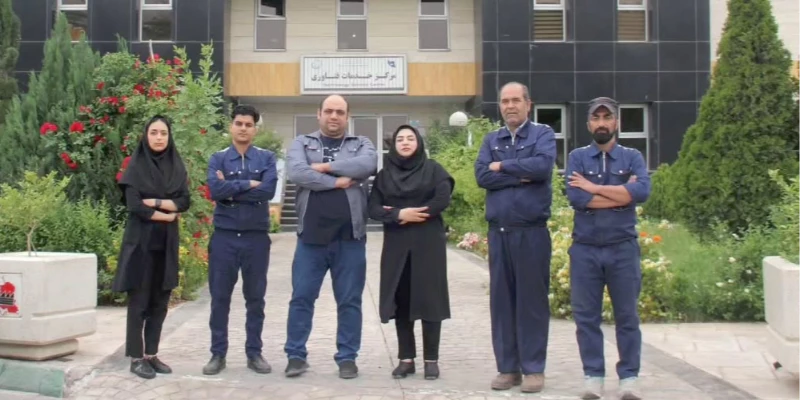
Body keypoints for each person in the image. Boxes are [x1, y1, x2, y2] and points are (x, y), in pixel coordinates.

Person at [283, 94, 378, 379]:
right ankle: (296, 356)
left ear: (347, 117)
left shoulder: (361, 143)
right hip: (310, 240)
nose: (333, 116)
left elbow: (367, 165)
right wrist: (337, 182)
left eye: (339, 112)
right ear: (319, 114)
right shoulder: (302, 143)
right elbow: (297, 172)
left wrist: (324, 168)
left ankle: (347, 357)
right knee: (301, 298)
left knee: (349, 301)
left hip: (350, 239)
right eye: (328, 111)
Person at [565, 97, 650, 400]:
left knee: (627, 317)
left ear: (617, 122)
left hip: (622, 249)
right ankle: (594, 376)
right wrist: (621, 194)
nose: (601, 123)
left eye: (607, 117)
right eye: (596, 118)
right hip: (585, 250)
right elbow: (577, 199)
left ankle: (629, 378)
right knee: (586, 318)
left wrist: (594, 188)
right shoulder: (577, 158)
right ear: (588, 124)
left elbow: (642, 191)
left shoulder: (632, 156)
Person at [474, 82, 557, 393]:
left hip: (531, 232)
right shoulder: (491, 139)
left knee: (531, 302)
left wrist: (502, 166)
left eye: (515, 100)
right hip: (499, 233)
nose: (510, 106)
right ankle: (508, 369)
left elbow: (542, 167)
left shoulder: (542, 135)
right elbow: (482, 175)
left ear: (528, 104)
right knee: (502, 303)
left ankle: (533, 369)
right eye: (505, 101)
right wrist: (519, 176)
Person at [368, 125, 454, 381]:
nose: (405, 142)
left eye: (410, 138)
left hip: (428, 242)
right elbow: (372, 207)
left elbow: (442, 198)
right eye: (400, 139)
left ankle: (431, 360)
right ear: (393, 145)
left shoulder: (434, 169)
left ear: (419, 142)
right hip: (397, 244)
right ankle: (406, 359)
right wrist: (398, 214)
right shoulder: (384, 175)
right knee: (401, 299)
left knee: (430, 299)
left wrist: (415, 214)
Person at [201, 105, 278, 375]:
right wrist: (248, 184)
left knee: (255, 299)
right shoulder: (218, 158)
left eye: (248, 124)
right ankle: (217, 354)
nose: (243, 128)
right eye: (238, 123)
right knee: (219, 298)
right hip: (224, 238)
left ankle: (254, 353)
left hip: (256, 239)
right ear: (231, 126)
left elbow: (268, 191)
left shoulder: (266, 158)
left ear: (255, 129)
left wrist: (231, 190)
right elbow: (215, 190)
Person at [112, 115, 191, 379]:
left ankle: (151, 354)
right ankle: (136, 357)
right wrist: (167, 215)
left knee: (160, 302)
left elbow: (184, 202)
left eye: (163, 133)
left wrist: (154, 202)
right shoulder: (136, 167)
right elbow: (135, 205)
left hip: (166, 244)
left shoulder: (176, 166)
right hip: (141, 245)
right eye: (154, 132)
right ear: (146, 136)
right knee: (140, 302)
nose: (159, 137)